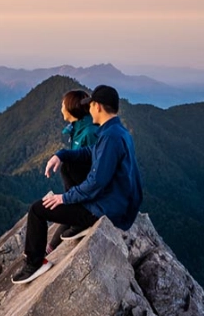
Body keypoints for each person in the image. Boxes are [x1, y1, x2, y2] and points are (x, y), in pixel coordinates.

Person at [11, 84, 143, 284]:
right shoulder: (116, 131)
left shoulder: (110, 137)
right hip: (113, 203)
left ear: (98, 107)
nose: (88, 110)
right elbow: (90, 153)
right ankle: (74, 223)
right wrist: (61, 154)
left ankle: (35, 263)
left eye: (90, 106)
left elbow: (96, 182)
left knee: (38, 209)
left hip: (103, 209)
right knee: (66, 170)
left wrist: (63, 198)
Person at [47, 90, 99, 254]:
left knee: (67, 166)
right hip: (81, 191)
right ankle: (49, 250)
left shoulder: (90, 132)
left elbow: (97, 166)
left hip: (92, 190)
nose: (61, 108)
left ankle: (79, 217)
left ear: (71, 107)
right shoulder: (78, 127)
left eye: (63, 105)